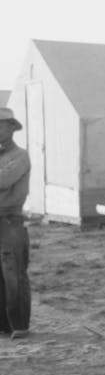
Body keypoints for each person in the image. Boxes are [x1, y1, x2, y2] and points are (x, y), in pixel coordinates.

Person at [0, 107, 31, 339]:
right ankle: (3, 325)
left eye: (1, 124)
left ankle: (18, 324)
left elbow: (5, 179)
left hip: (10, 219)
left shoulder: (20, 155)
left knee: (13, 273)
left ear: (12, 128)